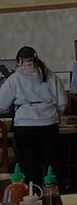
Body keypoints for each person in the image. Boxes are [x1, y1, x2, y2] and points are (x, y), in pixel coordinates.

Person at [0, 47, 66, 186]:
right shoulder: (51, 76)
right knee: (52, 162)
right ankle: (56, 192)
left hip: (24, 125)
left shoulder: (14, 79)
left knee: (28, 163)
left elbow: (2, 105)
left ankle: (32, 192)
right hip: (49, 123)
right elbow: (62, 103)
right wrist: (54, 114)